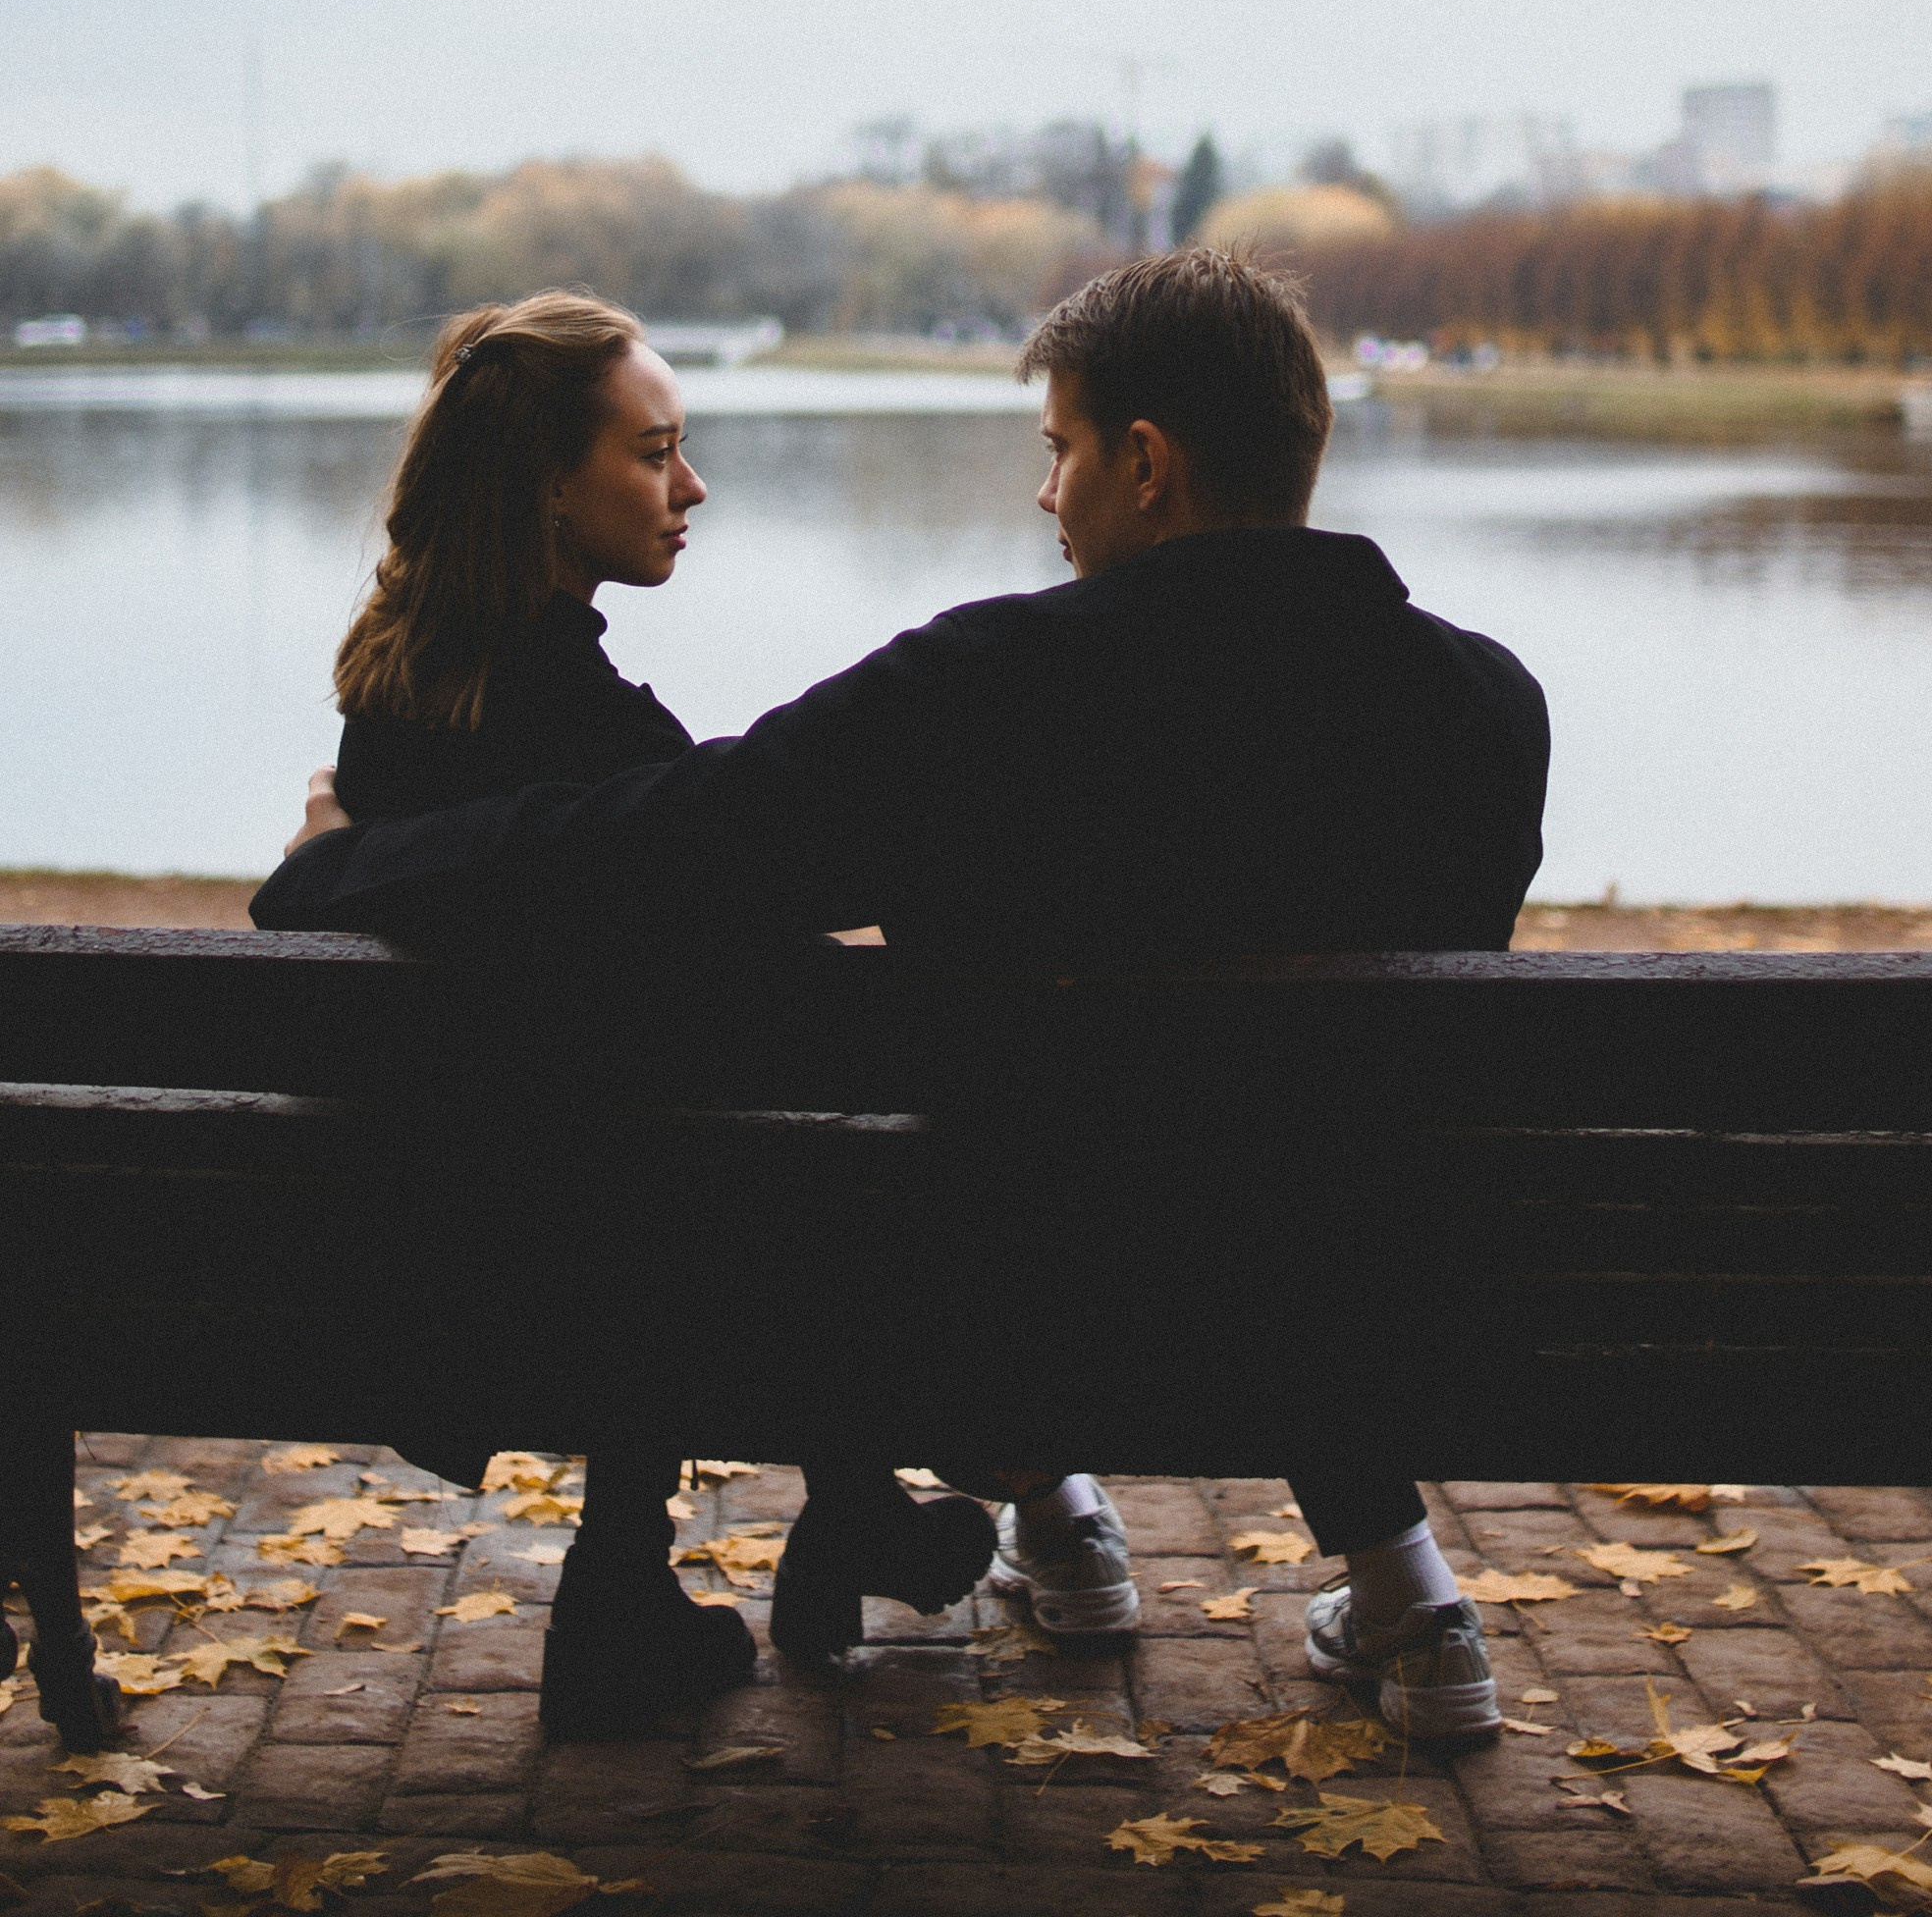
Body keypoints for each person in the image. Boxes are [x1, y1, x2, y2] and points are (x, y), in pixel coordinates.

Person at [262, 248, 1549, 1744]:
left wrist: (348, 868)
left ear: (1146, 466)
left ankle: (1058, 1513)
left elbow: (668, 845)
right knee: (1273, 1146)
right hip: (1371, 1289)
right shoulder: (1488, 709)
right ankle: (1401, 1589)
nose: (1046, 495)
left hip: (1014, 1310)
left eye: (1060, 451)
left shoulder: (991, 690)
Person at [308, 291, 994, 1735]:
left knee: (662, 1126)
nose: (693, 486)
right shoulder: (598, 737)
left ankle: (697, 1558)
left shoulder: (392, 711)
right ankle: (784, 1528)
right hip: (600, 1264)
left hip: (426, 1241)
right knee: (751, 1149)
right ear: (547, 488)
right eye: (654, 451)